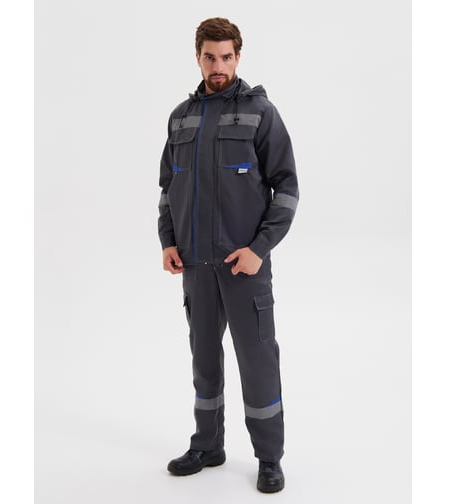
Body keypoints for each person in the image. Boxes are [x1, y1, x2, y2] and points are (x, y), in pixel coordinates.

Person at [157, 17, 299, 494]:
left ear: (238, 57)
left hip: (244, 267)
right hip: (195, 265)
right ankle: (207, 445)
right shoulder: (181, 117)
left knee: (257, 361)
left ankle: (269, 458)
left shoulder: (261, 113)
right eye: (209, 57)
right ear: (197, 57)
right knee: (204, 359)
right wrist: (168, 241)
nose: (217, 66)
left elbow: (287, 190)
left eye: (226, 57)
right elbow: (168, 187)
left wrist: (259, 249)